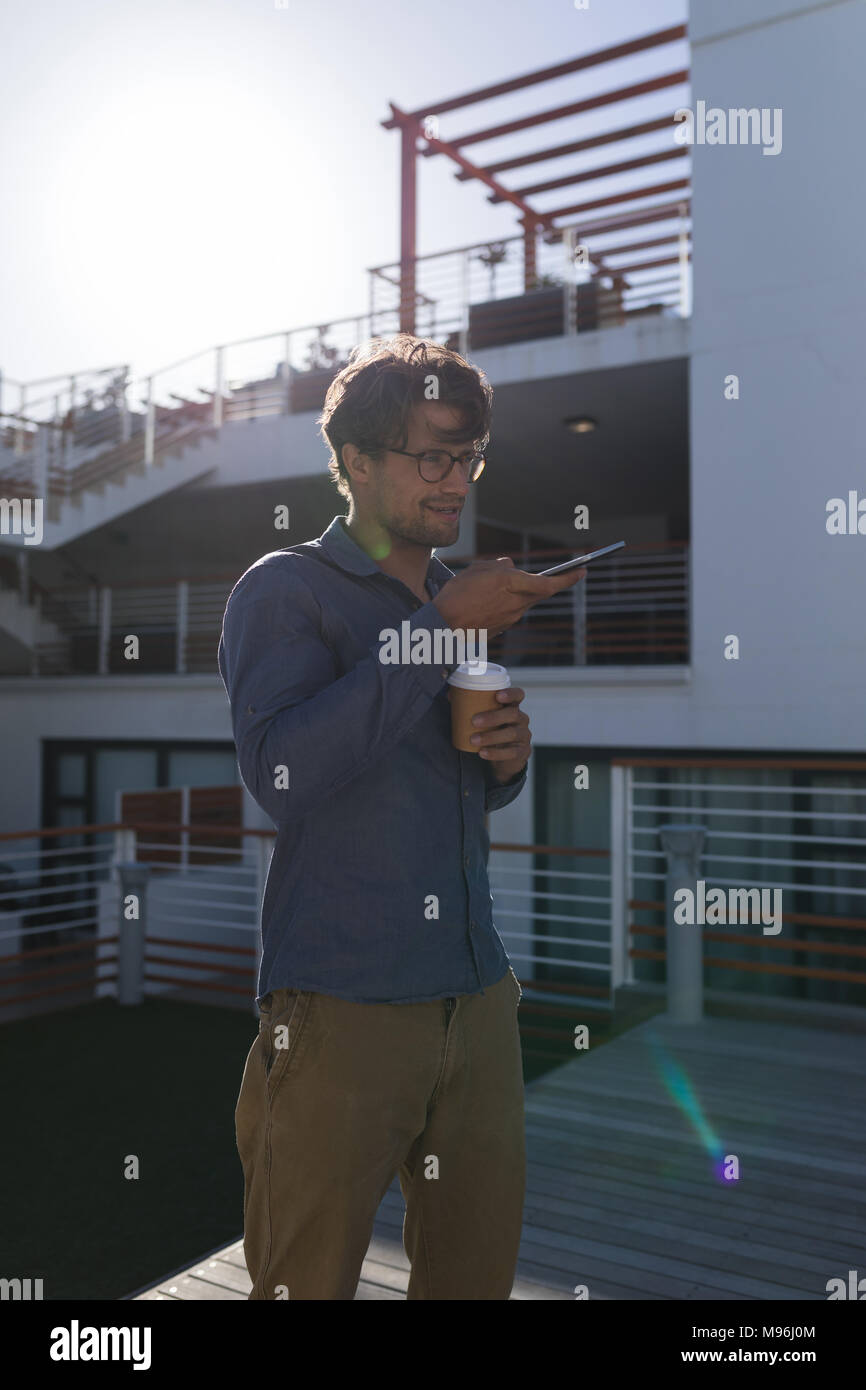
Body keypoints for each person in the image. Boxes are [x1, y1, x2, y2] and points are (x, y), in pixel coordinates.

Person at [217, 334, 585, 1300]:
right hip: (340, 1010)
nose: (456, 479)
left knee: (472, 1281)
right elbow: (284, 772)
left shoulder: (443, 598)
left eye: (468, 457)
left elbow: (449, 787)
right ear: (355, 463)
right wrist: (444, 628)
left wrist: (507, 760)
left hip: (478, 996)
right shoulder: (285, 589)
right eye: (432, 455)